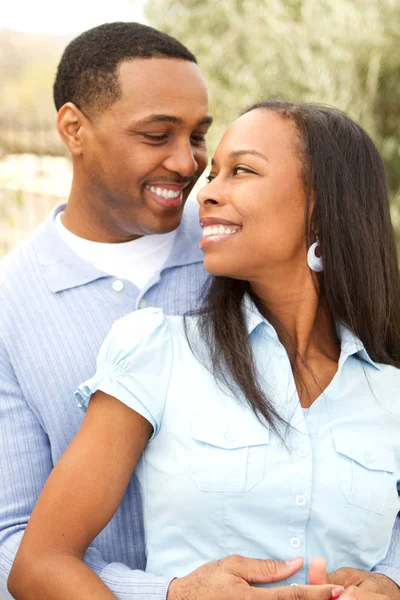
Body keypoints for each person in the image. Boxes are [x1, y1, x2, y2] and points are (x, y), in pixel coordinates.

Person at [7, 101, 400, 600]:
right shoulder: (157, 351)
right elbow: (39, 565)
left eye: (241, 171)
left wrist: (391, 582)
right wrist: (174, 595)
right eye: (213, 174)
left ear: (320, 204)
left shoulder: (389, 387)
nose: (206, 194)